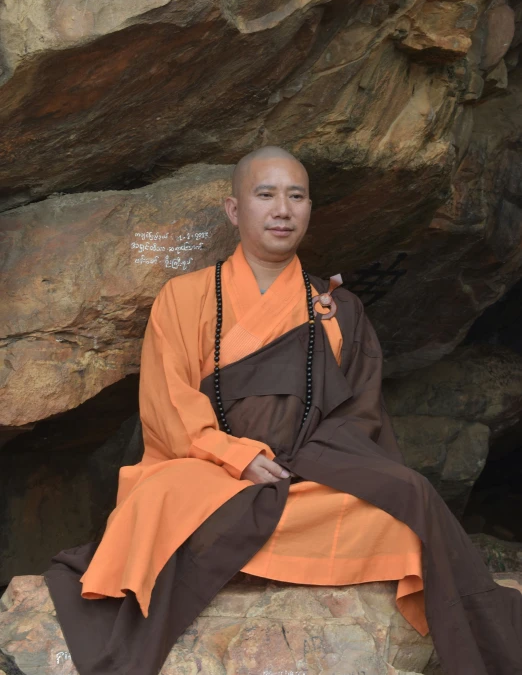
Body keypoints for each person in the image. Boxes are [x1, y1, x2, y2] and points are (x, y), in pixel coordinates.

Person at [46, 147, 522, 675]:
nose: (282, 209)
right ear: (234, 210)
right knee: (160, 495)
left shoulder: (339, 308)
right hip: (210, 476)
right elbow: (168, 406)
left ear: (310, 209)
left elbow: (358, 413)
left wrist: (302, 465)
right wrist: (238, 457)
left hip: (305, 478)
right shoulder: (185, 297)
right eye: (266, 194)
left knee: (407, 504)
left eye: (296, 196)